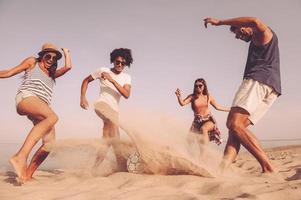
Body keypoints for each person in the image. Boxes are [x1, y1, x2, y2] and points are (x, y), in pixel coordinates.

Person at [204, 17, 281, 173]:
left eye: (238, 32)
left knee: (234, 124)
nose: (238, 37)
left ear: (245, 26)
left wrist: (220, 23)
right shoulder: (257, 41)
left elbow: (255, 20)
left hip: (258, 80)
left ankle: (268, 167)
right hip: (271, 87)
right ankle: (221, 170)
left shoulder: (262, 34)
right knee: (236, 130)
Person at [0, 43, 72, 182]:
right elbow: (9, 72)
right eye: (48, 56)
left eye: (54, 57)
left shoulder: (52, 75)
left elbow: (68, 67)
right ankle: (20, 156)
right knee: (53, 117)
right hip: (26, 98)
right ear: (42, 55)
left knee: (49, 144)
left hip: (41, 106)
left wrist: (66, 52)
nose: (51, 59)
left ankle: (26, 175)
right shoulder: (32, 62)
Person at [80, 48, 133, 168]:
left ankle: (94, 168)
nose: (119, 65)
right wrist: (83, 98)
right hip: (102, 105)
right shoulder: (103, 70)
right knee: (116, 137)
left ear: (126, 64)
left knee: (107, 140)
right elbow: (85, 80)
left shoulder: (126, 77)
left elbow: (126, 95)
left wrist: (112, 80)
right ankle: (122, 165)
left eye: (122, 63)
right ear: (113, 61)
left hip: (114, 111)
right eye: (117, 62)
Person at [175, 78, 230, 145]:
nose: (198, 87)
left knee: (203, 129)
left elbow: (217, 107)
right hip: (197, 122)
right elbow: (182, 103)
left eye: (200, 85)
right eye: (196, 86)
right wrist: (179, 96)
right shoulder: (192, 97)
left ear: (204, 86)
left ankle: (205, 152)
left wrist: (231, 109)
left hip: (208, 120)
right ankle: (200, 154)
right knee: (189, 141)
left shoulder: (208, 97)